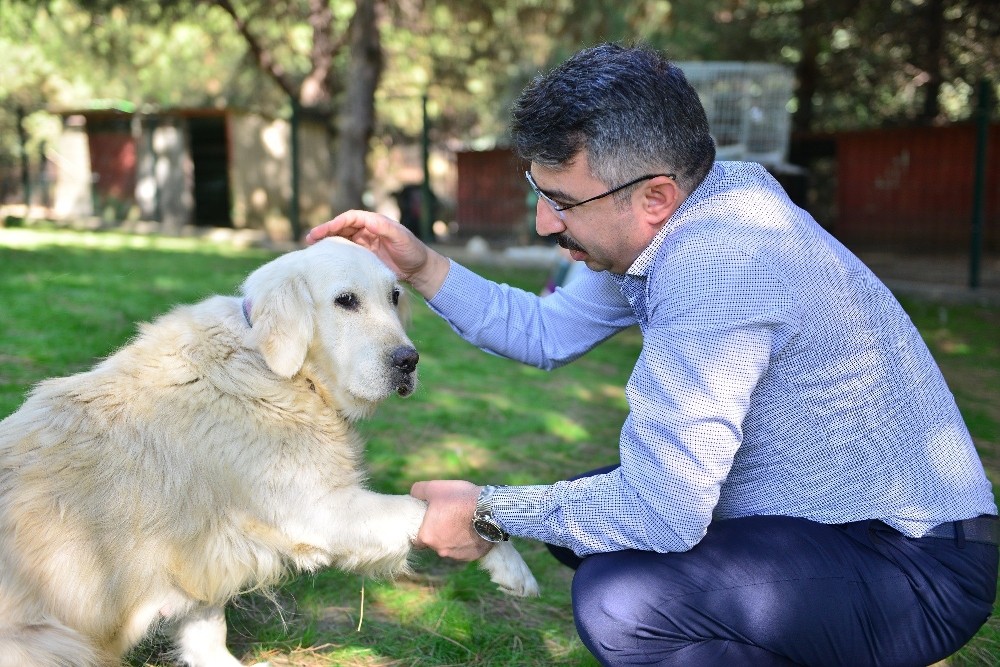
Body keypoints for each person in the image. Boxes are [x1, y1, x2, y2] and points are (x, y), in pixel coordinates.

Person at [307, 43, 998, 666]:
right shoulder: (676, 212)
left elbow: (662, 508)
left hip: (913, 562)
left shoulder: (719, 263)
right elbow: (548, 331)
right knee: (584, 528)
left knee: (623, 601)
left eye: (561, 200)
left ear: (655, 196)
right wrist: (421, 265)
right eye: (538, 192)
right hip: (819, 514)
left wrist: (488, 509)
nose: (546, 222)